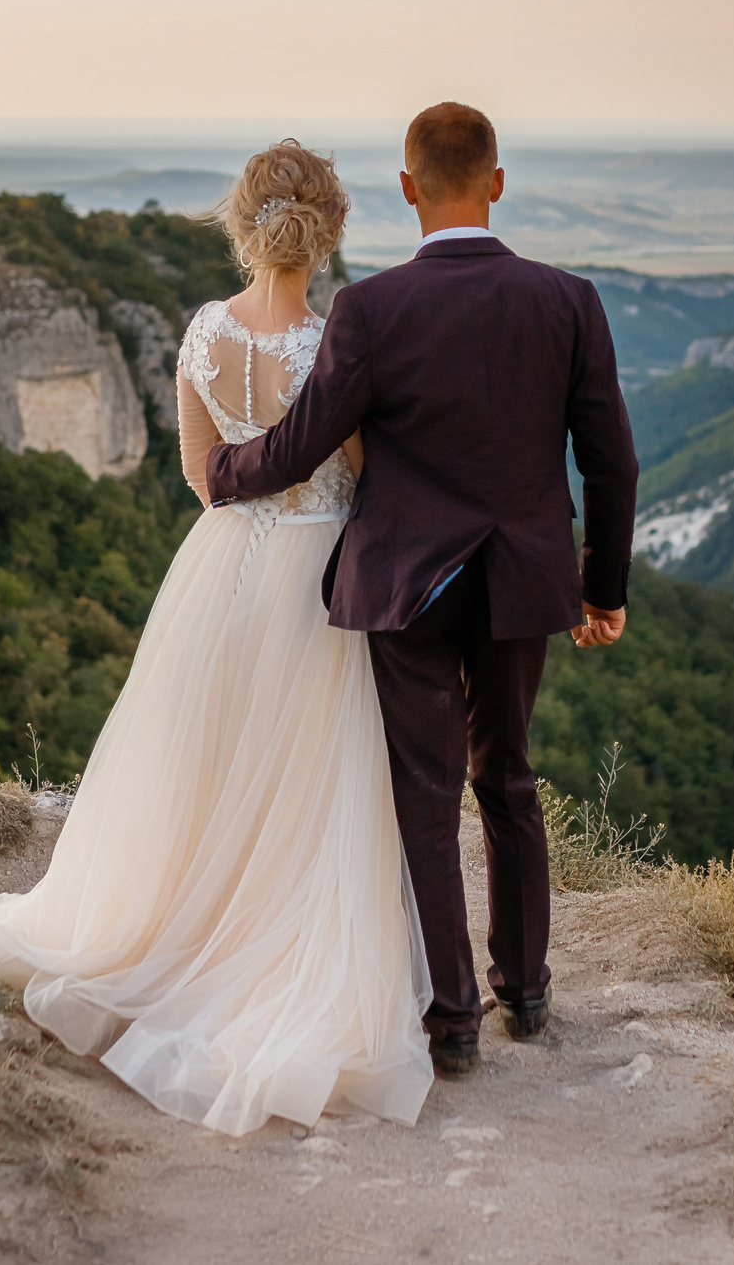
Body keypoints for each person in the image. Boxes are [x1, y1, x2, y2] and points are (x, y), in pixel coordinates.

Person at [0, 138, 432, 1136]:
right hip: (315, 575)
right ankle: (256, 951)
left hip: (219, 567)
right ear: (328, 235)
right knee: (304, 779)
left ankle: (166, 925)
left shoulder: (199, 333)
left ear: (241, 224)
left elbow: (204, 479)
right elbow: (362, 473)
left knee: (203, 761)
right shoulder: (333, 346)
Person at [206, 101, 637, 1078]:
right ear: (495, 181)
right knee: (509, 778)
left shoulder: (371, 311)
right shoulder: (568, 300)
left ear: (407, 190)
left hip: (404, 584)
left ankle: (451, 1021)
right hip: (524, 582)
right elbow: (611, 462)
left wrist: (223, 477)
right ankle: (524, 989)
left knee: (425, 793)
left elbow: (303, 443)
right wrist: (600, 588)